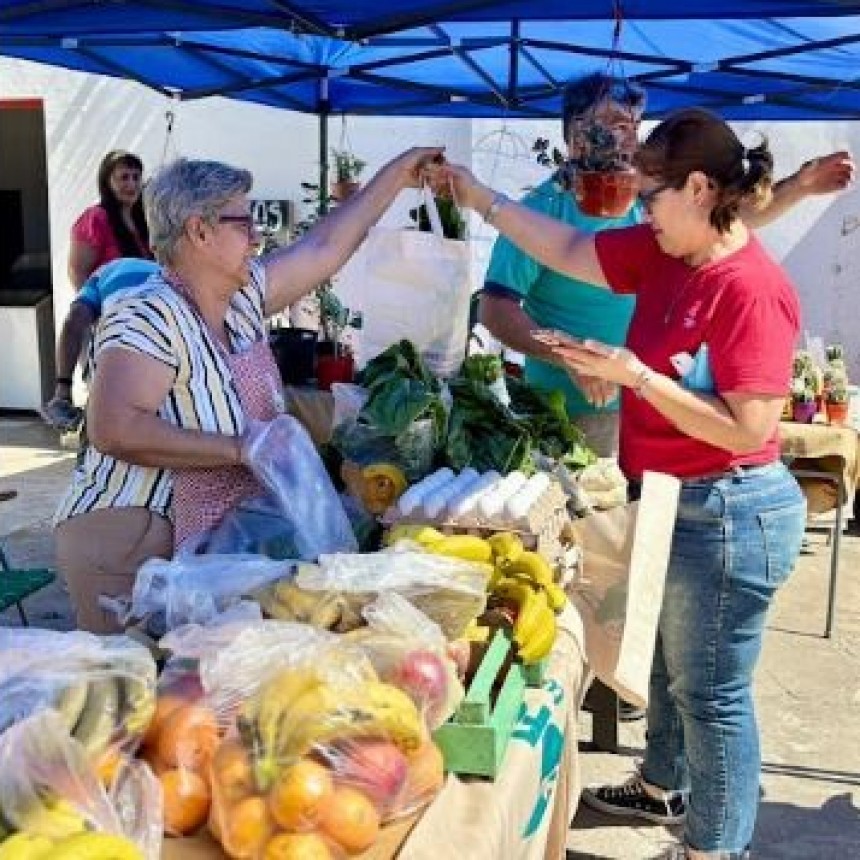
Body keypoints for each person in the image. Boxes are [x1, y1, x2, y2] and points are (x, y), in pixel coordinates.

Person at [437, 108, 817, 859]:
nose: (642, 212)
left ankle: (715, 848)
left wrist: (636, 377)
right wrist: (479, 196)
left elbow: (748, 429)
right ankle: (664, 787)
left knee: (714, 697)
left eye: (651, 197)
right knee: (676, 669)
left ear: (700, 189)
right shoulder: (667, 250)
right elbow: (568, 247)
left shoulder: (751, 289)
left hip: (730, 511)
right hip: (676, 498)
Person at [53, 148, 442, 633]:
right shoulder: (148, 313)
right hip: (132, 540)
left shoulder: (239, 300)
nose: (257, 237)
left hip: (211, 547)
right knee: (140, 674)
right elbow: (114, 428)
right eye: (243, 223)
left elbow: (324, 247)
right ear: (199, 231)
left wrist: (397, 176)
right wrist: (241, 447)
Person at [480, 73, 854, 457]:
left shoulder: (654, 205)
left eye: (632, 125)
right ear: (576, 136)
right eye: (613, 124)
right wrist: (567, 357)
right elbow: (495, 309)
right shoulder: (539, 217)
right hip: (570, 410)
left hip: (659, 402)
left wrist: (799, 186)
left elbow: (725, 217)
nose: (627, 138)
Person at [43, 150, 154, 429]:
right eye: (123, 178)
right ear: (107, 181)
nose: (131, 184)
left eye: (136, 177)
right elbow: (78, 271)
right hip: (107, 308)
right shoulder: (95, 218)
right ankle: (62, 395)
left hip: (147, 313)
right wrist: (95, 315)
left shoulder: (146, 219)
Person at [40, 258, 160, 432]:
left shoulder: (104, 273)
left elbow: (73, 322)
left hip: (114, 364)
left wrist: (63, 389)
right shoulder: (168, 275)